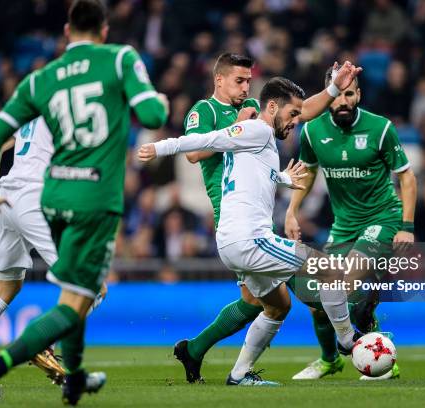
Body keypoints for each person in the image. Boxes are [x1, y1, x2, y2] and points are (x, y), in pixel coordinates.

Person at [0, 1, 168, 406]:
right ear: (105, 30)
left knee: (75, 292)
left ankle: (73, 378)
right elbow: (151, 114)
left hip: (52, 196)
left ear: (66, 31)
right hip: (94, 198)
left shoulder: (42, 79)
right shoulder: (120, 59)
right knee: (83, 295)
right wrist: (155, 98)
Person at [139, 69, 369, 387]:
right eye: (292, 114)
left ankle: (237, 375)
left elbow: (254, 174)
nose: (295, 122)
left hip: (236, 241)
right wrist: (160, 147)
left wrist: (284, 178)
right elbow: (206, 141)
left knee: (277, 306)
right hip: (249, 239)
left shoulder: (260, 139)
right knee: (328, 269)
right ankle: (347, 341)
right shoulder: (254, 130)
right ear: (272, 107)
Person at [0, 118, 105, 387]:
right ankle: (44, 343)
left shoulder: (32, 105)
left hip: (7, 197)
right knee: (93, 286)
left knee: (4, 288)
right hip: (38, 198)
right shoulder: (71, 103)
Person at [285, 69, 417, 380]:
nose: (344, 101)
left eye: (350, 94)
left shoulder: (380, 128)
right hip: (343, 225)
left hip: (382, 219)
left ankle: (382, 358)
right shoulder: (312, 131)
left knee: (344, 286)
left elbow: (407, 177)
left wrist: (406, 226)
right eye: (338, 94)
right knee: (318, 300)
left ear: (358, 95)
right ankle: (330, 359)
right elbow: (307, 172)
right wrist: (292, 209)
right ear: (328, 93)